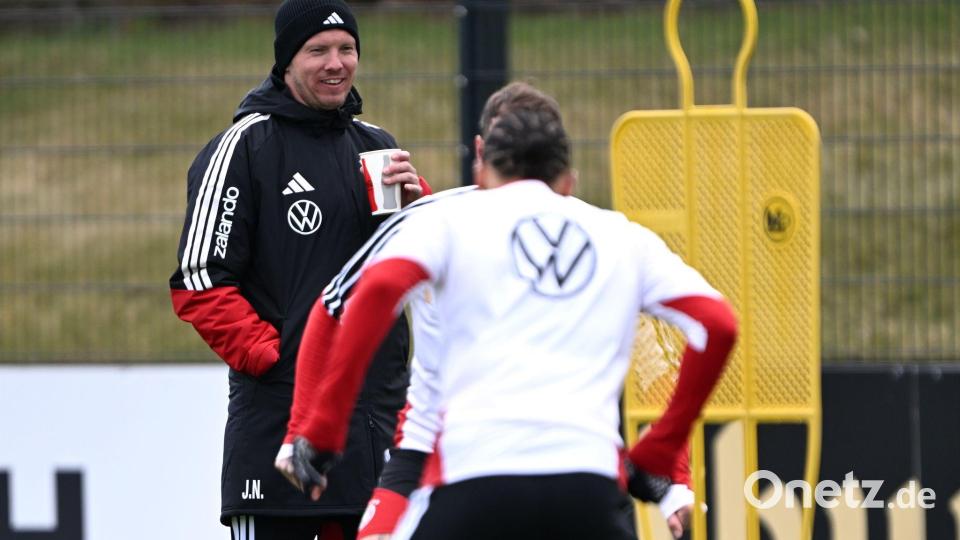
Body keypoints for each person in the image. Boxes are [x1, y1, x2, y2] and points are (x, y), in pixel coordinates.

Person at [276, 103, 737, 538]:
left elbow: (374, 293)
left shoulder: (448, 221)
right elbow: (717, 325)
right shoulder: (620, 235)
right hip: (587, 481)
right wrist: (661, 450)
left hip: (475, 471)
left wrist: (321, 430)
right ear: (569, 180)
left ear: (481, 167)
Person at [169, 0, 429, 538]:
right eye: (318, 51)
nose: (336, 63)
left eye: (347, 49)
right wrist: (280, 358)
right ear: (286, 63)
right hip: (278, 435)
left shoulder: (376, 146)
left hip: (373, 435)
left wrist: (418, 205)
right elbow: (199, 281)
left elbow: (423, 275)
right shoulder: (245, 147)